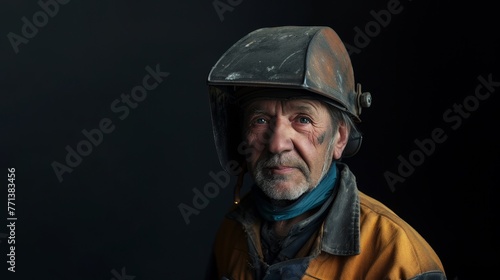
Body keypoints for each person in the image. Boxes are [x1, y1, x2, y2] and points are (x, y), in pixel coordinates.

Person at [204, 26, 446, 280]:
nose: (277, 145)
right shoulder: (232, 232)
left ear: (339, 138)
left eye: (303, 119)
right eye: (260, 120)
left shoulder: (398, 258)